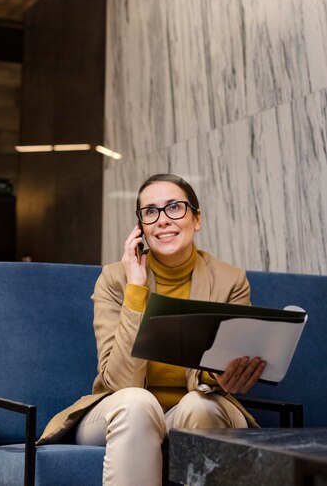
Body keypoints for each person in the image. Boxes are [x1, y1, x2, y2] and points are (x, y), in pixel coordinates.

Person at [38, 173, 266, 485]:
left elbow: (227, 369)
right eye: (150, 212)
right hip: (118, 411)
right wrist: (136, 289)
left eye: (174, 207)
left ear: (196, 219)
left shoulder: (231, 281)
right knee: (137, 402)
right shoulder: (115, 279)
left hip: (187, 413)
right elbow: (119, 382)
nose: (162, 220)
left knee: (203, 405)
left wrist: (219, 376)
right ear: (141, 228)